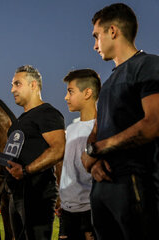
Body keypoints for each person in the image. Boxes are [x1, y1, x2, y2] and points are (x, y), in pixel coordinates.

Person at [81, 3, 159, 239]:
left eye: (97, 36)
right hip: (102, 186)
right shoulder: (107, 83)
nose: (94, 45)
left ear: (112, 31)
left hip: (135, 185)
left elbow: (153, 124)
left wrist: (98, 149)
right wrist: (93, 164)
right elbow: (95, 133)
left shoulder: (148, 65)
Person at [0, 65, 65, 240]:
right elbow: (9, 157)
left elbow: (59, 149)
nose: (12, 89)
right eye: (12, 84)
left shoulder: (48, 113)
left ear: (33, 85)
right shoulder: (20, 121)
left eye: (17, 84)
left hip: (37, 194)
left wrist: (26, 170)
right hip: (16, 195)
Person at [58, 69, 101, 240]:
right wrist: (64, 198)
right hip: (67, 211)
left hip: (91, 211)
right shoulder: (71, 128)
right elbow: (69, 169)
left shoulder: (100, 128)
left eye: (70, 91)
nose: (66, 98)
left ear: (88, 93)